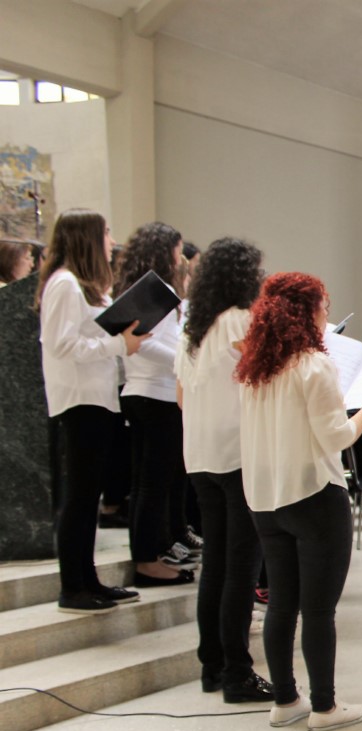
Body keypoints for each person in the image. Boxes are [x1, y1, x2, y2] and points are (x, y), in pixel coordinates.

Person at [237, 272, 362, 731]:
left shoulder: (254, 369)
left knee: (281, 603)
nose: (328, 313)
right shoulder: (313, 365)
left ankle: (285, 700)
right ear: (307, 313)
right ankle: (325, 707)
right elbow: (336, 438)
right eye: (324, 305)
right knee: (319, 609)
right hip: (314, 496)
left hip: (265, 498)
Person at [176, 237, 272, 702]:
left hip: (200, 456)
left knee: (215, 564)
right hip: (236, 455)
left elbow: (179, 396)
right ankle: (237, 673)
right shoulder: (240, 321)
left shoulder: (192, 329)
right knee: (242, 568)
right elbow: (271, 377)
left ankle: (211, 666)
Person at [39, 210, 149, 613]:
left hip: (99, 397)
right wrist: (118, 345)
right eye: (105, 232)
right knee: (81, 496)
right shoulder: (64, 284)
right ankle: (73, 586)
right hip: (80, 398)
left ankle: (89, 579)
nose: (111, 239)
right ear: (87, 237)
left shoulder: (83, 286)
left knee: (90, 494)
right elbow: (62, 346)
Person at [117, 222, 199, 586]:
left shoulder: (144, 287)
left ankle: (158, 549)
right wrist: (185, 359)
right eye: (177, 250)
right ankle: (148, 561)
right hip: (153, 392)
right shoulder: (157, 288)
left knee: (156, 481)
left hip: (150, 391)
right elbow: (142, 342)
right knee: (153, 482)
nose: (181, 258)